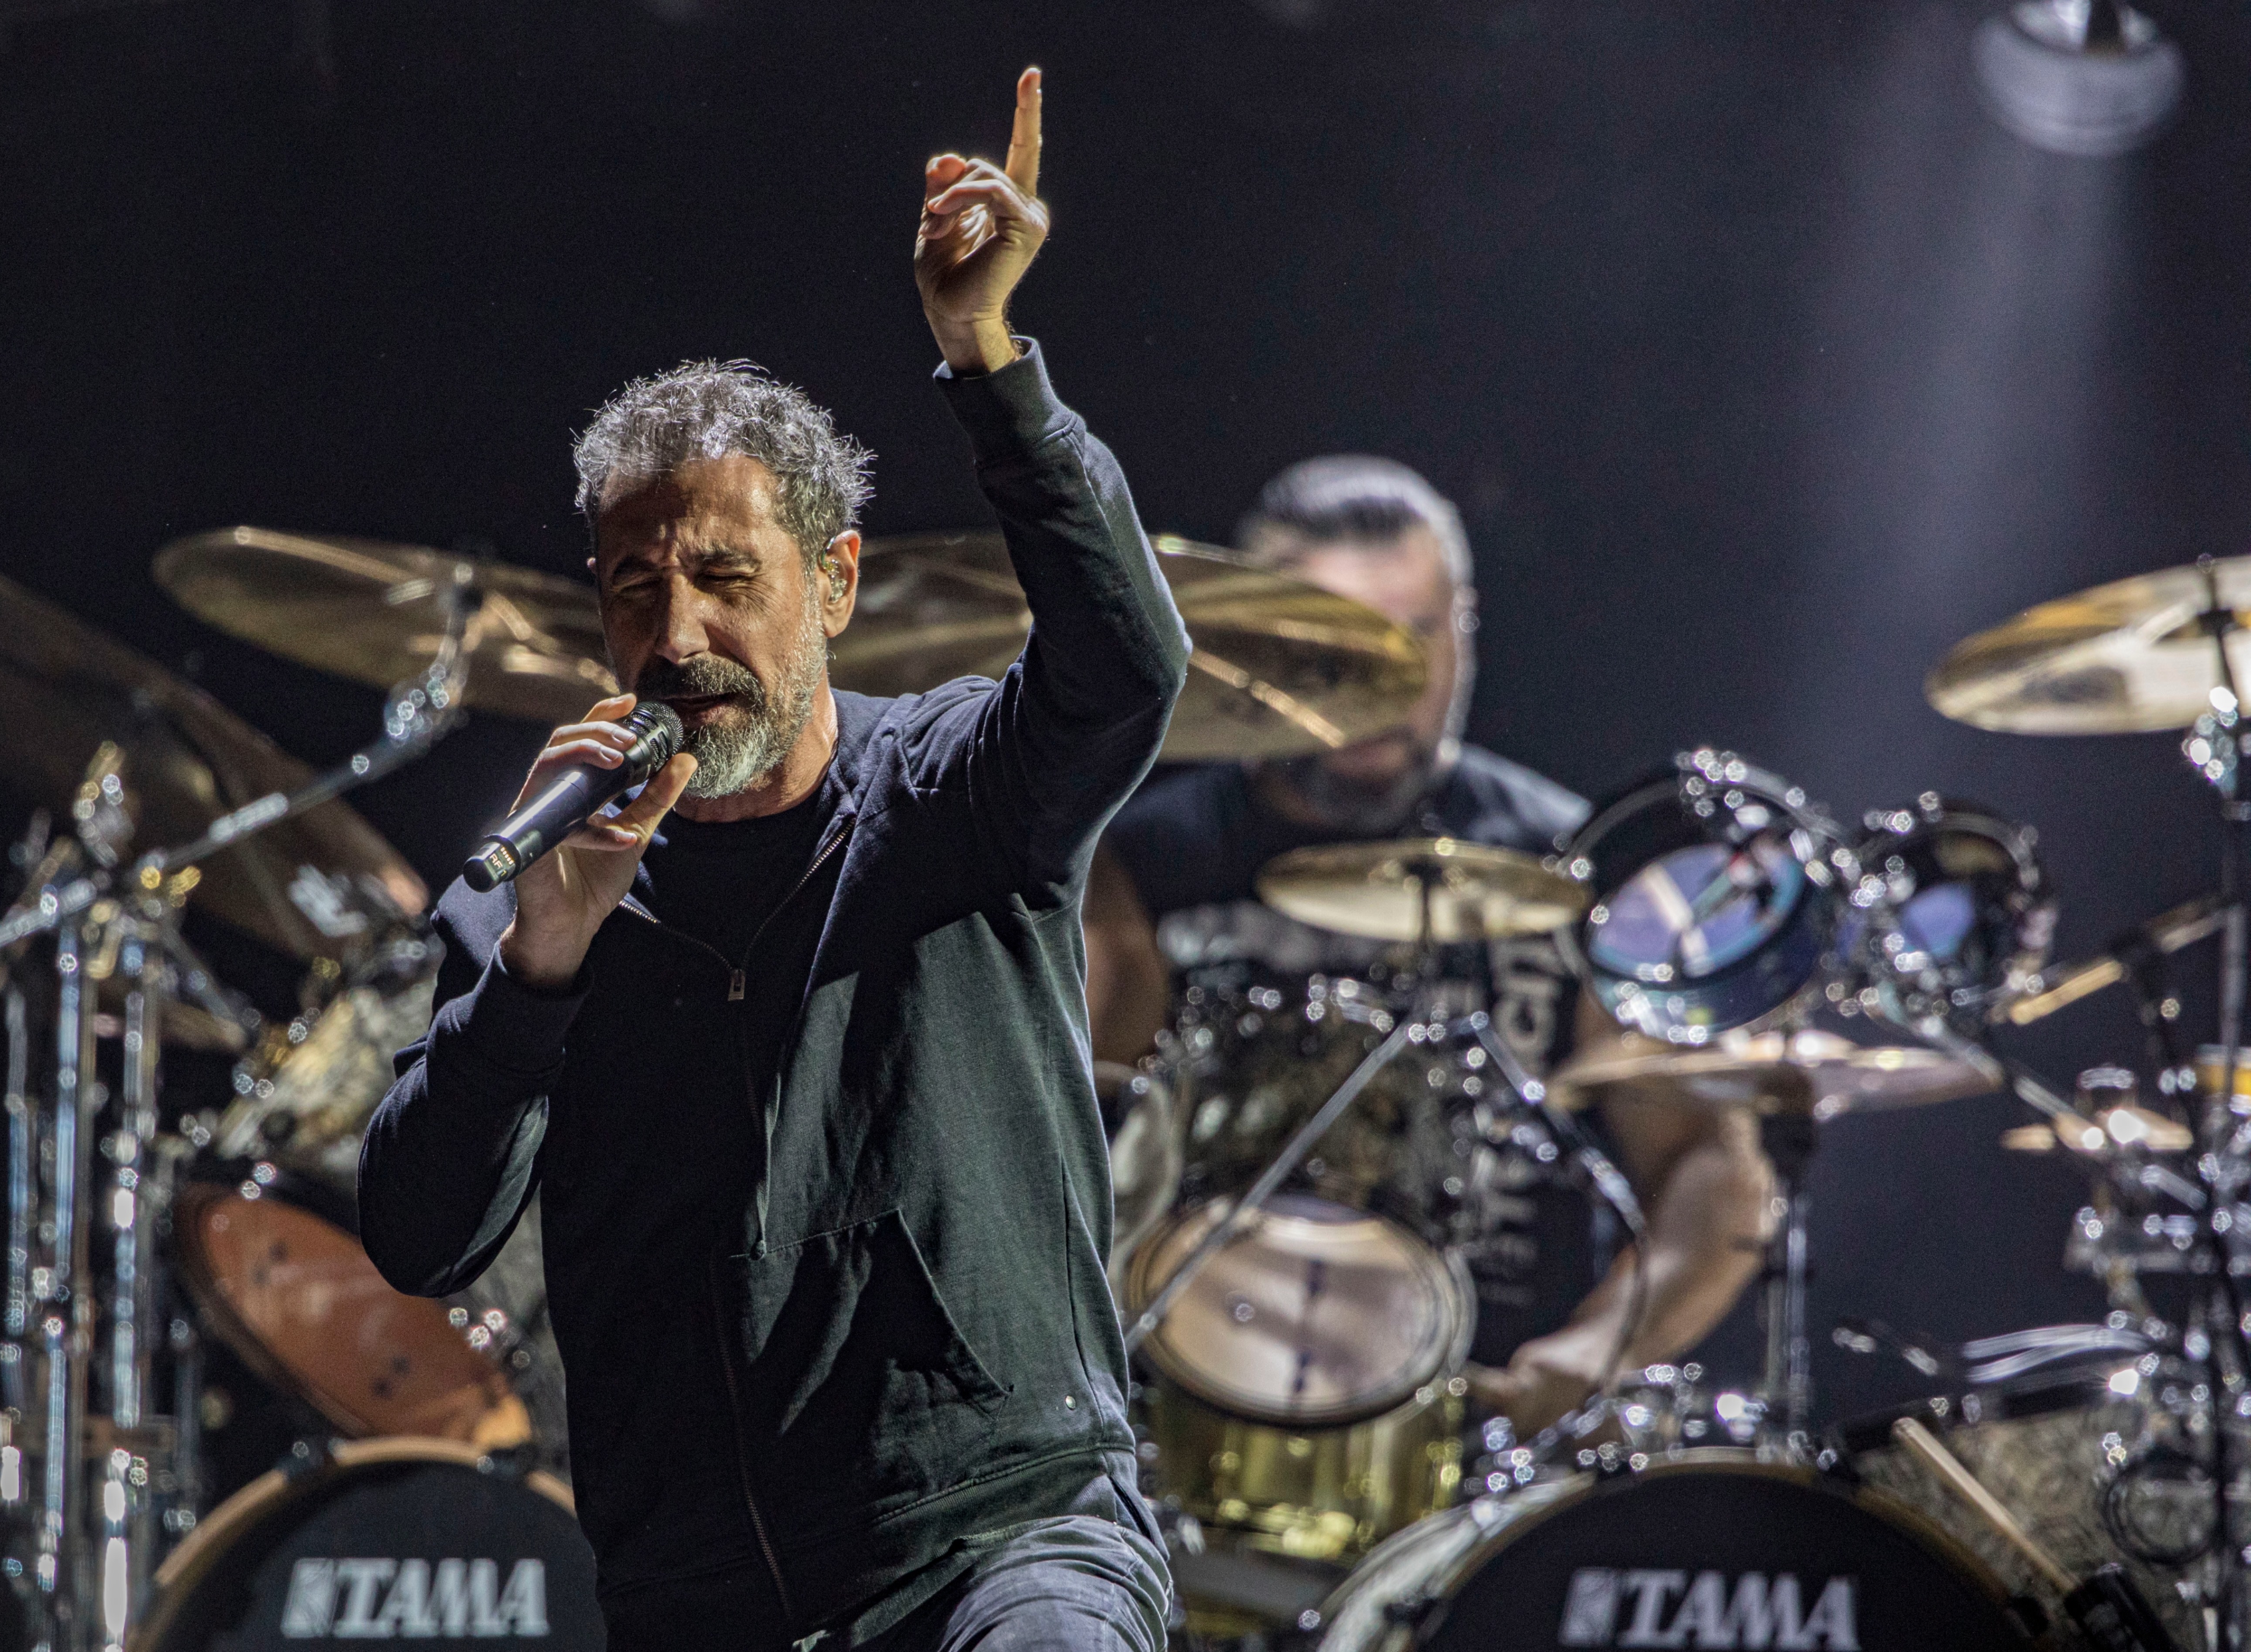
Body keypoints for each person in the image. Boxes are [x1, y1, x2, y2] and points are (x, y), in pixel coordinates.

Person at [362, 70, 1188, 1652]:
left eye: (728, 581)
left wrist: (986, 361)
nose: (680, 637)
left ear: (838, 585)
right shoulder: (539, 880)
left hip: (1001, 1541)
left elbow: (1127, 672)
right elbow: (418, 1236)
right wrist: (539, 964)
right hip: (699, 1597)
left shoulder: (955, 787)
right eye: (634, 589)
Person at [1082, 456, 1776, 1437]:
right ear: (1256, 641)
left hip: (1476, 1435)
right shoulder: (1136, 868)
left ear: (1467, 631)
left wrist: (1595, 1350)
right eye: (1341, 640)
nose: (1391, 680)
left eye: (1417, 635)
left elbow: (1709, 1162)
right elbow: (1056, 1161)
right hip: (1189, 1420)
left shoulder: (1572, 869)